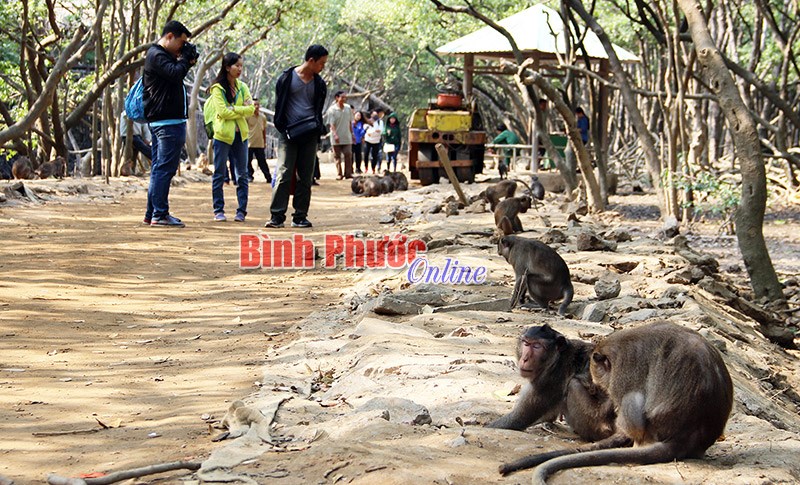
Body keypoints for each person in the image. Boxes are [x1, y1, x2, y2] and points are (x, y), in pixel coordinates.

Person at [265, 44, 328, 229]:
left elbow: (318, 109)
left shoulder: (319, 84)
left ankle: (300, 216)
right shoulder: (286, 78)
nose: (323, 67)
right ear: (311, 60)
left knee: (305, 176)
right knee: (284, 172)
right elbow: (279, 104)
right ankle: (277, 216)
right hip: (288, 134)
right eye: (321, 63)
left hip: (309, 134)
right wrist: (281, 126)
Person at [142, 20, 196, 227]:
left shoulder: (161, 56)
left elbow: (175, 74)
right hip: (166, 123)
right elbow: (175, 74)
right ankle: (160, 214)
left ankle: (152, 213)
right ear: (170, 36)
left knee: (159, 168)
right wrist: (184, 60)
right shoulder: (156, 55)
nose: (182, 48)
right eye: (181, 43)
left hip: (164, 121)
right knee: (164, 169)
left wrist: (185, 61)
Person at [206, 52, 255, 222]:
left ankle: (241, 210)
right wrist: (239, 109)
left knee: (242, 174)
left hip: (241, 136)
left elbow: (251, 110)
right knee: (219, 173)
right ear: (227, 67)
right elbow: (222, 112)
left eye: (241, 66)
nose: (240, 69)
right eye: (237, 66)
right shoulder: (217, 88)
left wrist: (233, 109)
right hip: (222, 136)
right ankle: (218, 210)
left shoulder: (243, 87)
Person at [326, 90, 354, 179]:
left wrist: (352, 133)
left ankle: (348, 173)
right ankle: (339, 173)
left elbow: (350, 122)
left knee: (348, 154)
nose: (344, 99)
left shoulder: (348, 108)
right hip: (336, 137)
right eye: (342, 97)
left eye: (345, 97)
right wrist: (335, 134)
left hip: (347, 136)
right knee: (337, 156)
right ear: (337, 98)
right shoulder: (332, 110)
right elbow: (331, 124)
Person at [247, 98, 272, 183]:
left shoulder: (263, 117)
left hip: (259, 143)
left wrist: (264, 142)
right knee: (248, 161)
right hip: (249, 143)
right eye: (254, 105)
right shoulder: (247, 116)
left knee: (262, 162)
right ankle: (249, 176)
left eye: (258, 105)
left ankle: (268, 177)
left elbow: (264, 130)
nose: (256, 106)